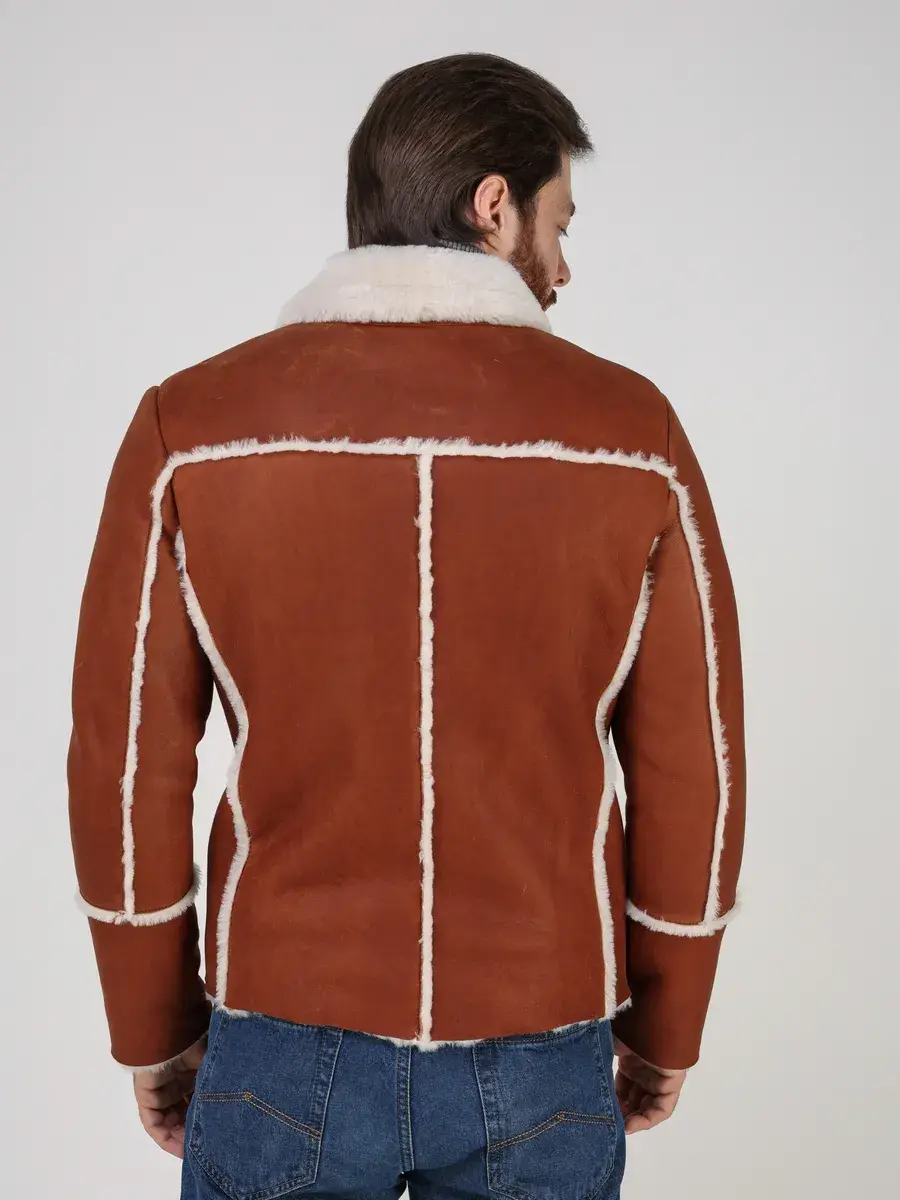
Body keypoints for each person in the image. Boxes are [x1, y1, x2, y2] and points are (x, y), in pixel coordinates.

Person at [67, 51, 746, 1199]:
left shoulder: (191, 429)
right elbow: (697, 769)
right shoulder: (635, 436)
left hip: (279, 1042)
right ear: (495, 205)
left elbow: (122, 762)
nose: (564, 267)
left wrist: (151, 1025)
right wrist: (667, 1023)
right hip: (544, 1045)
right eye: (559, 224)